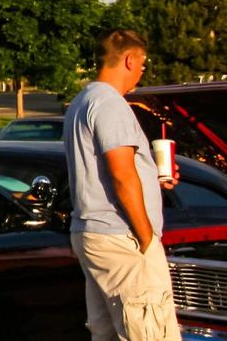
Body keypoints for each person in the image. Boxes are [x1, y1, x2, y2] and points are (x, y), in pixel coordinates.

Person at [64, 29, 181, 341]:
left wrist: (153, 176)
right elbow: (121, 174)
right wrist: (146, 238)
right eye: (142, 65)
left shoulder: (82, 101)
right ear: (130, 60)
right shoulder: (110, 104)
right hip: (121, 236)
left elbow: (108, 170)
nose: (142, 73)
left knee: (108, 333)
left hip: (91, 231)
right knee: (152, 331)